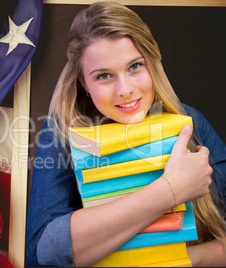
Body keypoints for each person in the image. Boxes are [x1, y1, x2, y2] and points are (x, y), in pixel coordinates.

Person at [26, 2, 226, 267]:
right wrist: (171, 190)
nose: (125, 90)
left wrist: (181, 260)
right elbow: (43, 252)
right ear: (84, 83)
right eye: (104, 76)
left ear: (152, 63)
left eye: (134, 67)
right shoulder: (60, 133)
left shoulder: (191, 123)